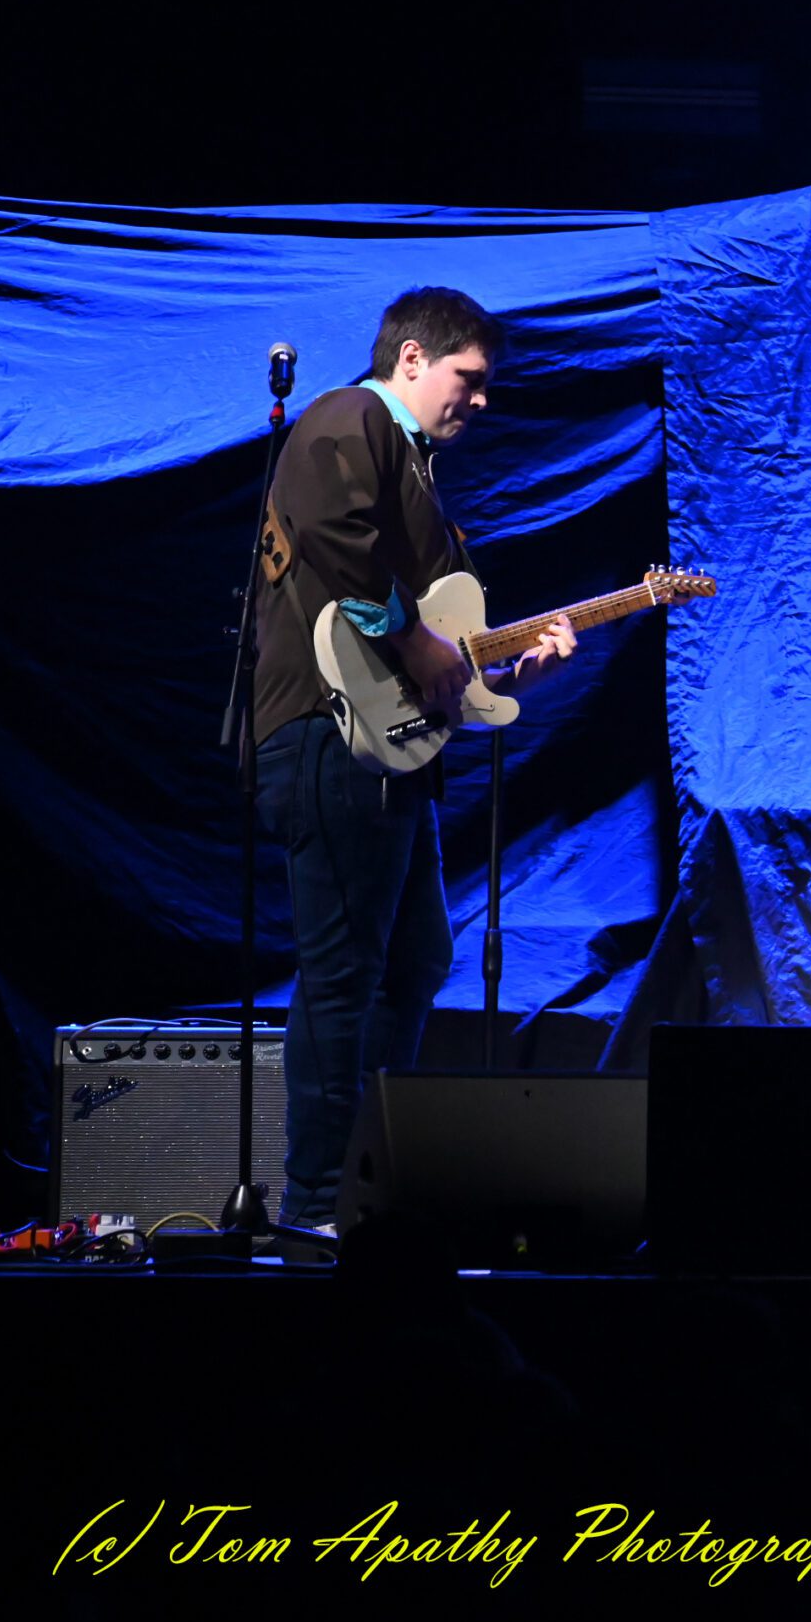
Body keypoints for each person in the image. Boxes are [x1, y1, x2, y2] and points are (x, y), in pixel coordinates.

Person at [250, 287, 577, 1235]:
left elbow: (437, 664)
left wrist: (506, 674)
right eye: (469, 377)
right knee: (344, 972)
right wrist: (415, 639)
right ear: (411, 360)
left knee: (415, 960)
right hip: (328, 736)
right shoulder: (349, 416)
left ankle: (366, 1184)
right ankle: (317, 1205)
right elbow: (335, 537)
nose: (481, 399)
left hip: (383, 753)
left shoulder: (418, 472)